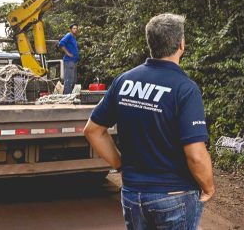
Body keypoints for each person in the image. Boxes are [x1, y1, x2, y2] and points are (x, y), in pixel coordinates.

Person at [84, 13, 214, 230]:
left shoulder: (124, 81)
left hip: (134, 195)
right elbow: (195, 154)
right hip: (174, 196)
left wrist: (120, 165)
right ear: (181, 44)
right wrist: (208, 187)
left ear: (150, 43)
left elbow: (93, 131)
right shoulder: (185, 89)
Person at [58, 24, 79, 94]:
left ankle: (70, 95)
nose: (75, 30)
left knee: (73, 80)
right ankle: (67, 95)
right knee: (68, 79)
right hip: (69, 61)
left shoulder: (73, 37)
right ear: (70, 29)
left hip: (74, 61)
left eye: (76, 28)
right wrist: (68, 53)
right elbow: (61, 43)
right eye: (74, 28)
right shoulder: (69, 35)